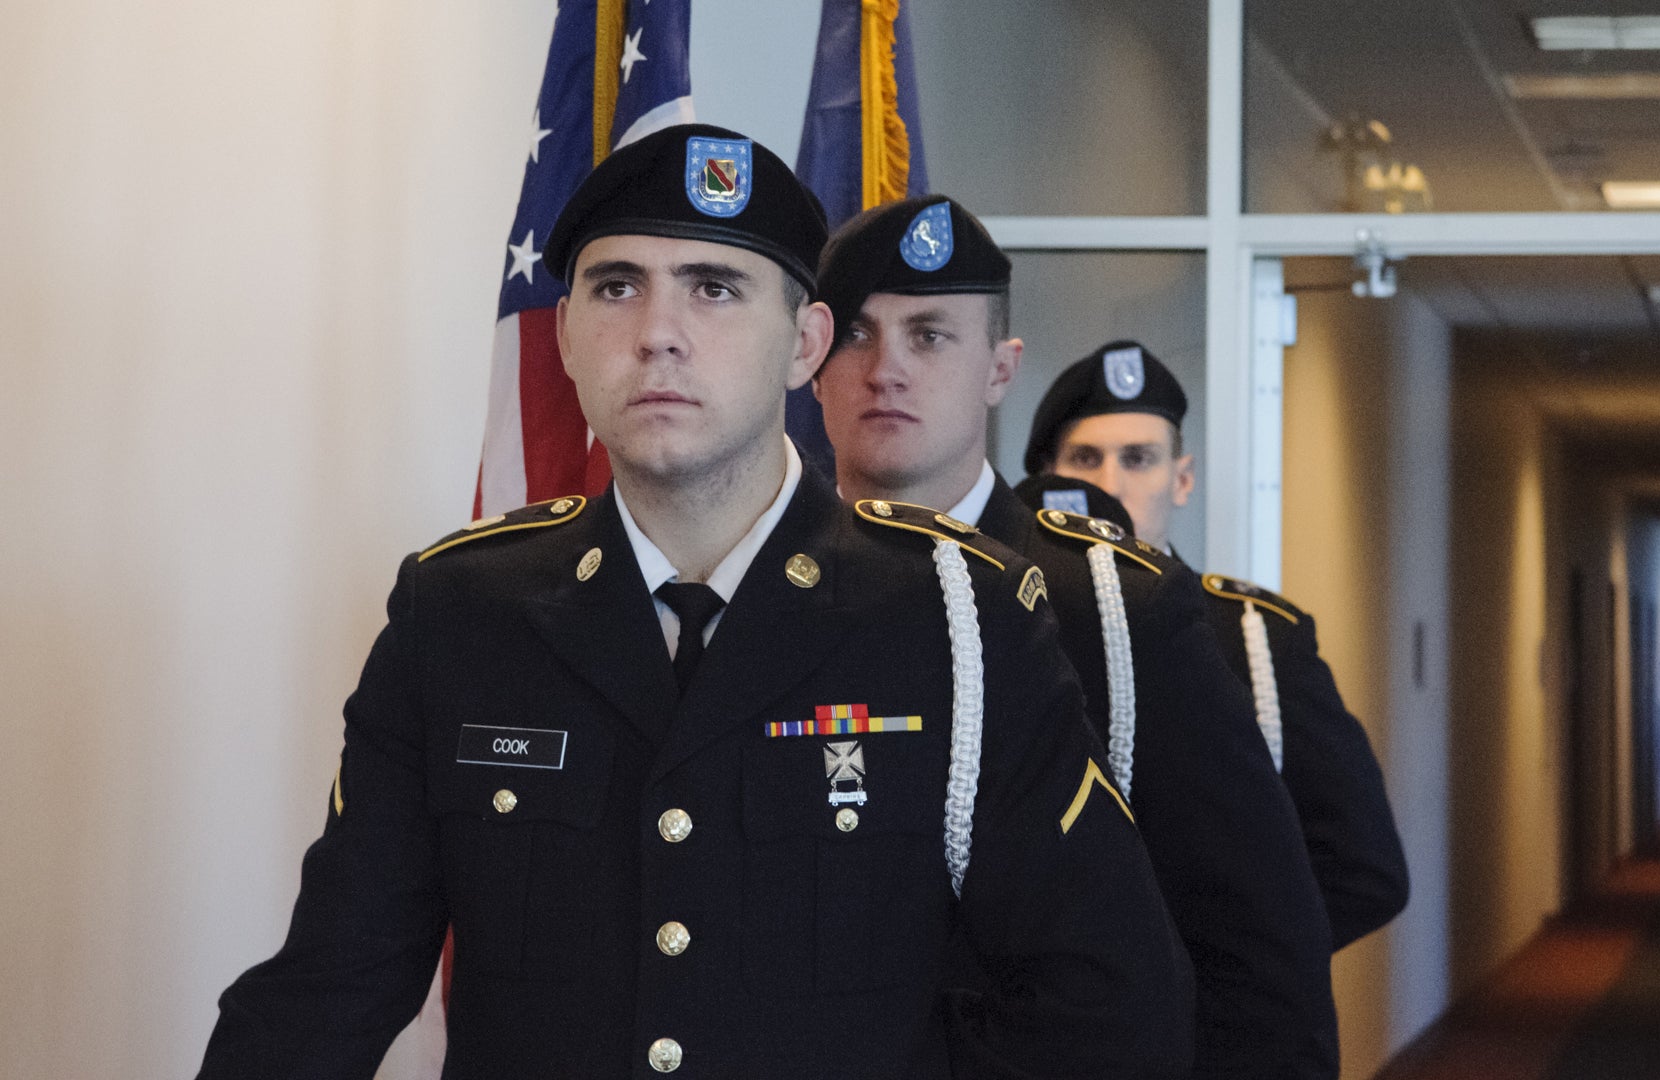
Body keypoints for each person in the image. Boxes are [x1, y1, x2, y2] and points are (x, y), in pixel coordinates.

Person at [197, 125, 1196, 1080]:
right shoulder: (461, 613)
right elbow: (331, 985)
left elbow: (1108, 1001)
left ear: (806, 343)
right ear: (568, 340)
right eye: (616, 287)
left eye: (714, 289)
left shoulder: (956, 618)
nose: (659, 334)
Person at [813, 194, 1338, 1079]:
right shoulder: (767, 600)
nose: (887, 370)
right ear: (808, 358)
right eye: (857, 335)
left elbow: (1260, 947)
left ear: (1000, 367)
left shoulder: (1114, 609)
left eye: (931, 335)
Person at [1026, 342, 1411, 951]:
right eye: (1085, 458)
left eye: (1138, 458)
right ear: (1046, 480)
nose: (1110, 484)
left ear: (1182, 480)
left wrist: (1225, 971)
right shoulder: (1013, 629)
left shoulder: (1257, 640)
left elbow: (1365, 872)